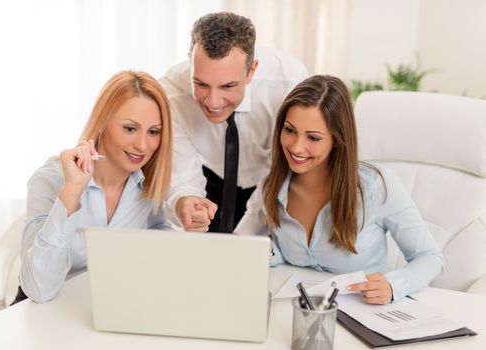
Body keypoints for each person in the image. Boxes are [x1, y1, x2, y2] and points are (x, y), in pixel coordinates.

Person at [235, 75, 443, 304]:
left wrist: (394, 285)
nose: (296, 146)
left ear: (337, 139)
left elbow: (430, 257)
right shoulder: (271, 185)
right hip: (295, 312)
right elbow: (246, 246)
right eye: (290, 130)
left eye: (313, 137)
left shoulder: (375, 186)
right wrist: (268, 253)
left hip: (363, 314)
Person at [17, 70, 172, 303]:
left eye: (153, 132)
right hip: (46, 311)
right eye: (130, 128)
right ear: (102, 123)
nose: (142, 145)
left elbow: (160, 241)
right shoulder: (50, 180)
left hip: (105, 308)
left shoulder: (148, 187)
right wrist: (72, 191)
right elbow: (38, 289)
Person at [160, 12, 309, 233]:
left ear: (251, 71)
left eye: (227, 86)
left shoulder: (289, 82)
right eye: (200, 83)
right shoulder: (171, 93)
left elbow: (294, 166)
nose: (212, 101)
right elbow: (182, 174)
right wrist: (185, 200)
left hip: (273, 180)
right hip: (210, 177)